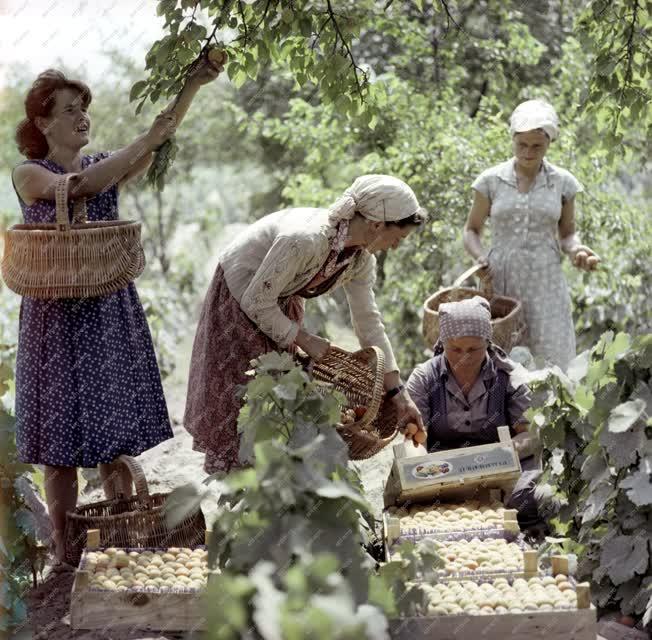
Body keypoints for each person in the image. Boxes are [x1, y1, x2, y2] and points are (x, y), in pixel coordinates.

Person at [10, 57, 223, 569]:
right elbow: (80, 188)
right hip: (55, 318)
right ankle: (66, 555)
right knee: (58, 446)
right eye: (69, 110)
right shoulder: (31, 172)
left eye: (84, 108)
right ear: (42, 122)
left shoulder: (106, 160)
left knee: (114, 437)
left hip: (105, 308)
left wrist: (192, 84)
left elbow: (160, 137)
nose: (82, 116)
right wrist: (142, 143)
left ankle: (121, 534)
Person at [184, 174, 428, 474]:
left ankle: (275, 484)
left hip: (280, 301)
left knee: (279, 395)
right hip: (240, 297)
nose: (394, 247)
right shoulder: (305, 240)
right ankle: (242, 490)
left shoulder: (360, 260)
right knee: (244, 400)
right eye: (397, 238)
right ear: (377, 225)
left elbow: (369, 323)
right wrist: (304, 338)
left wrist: (400, 396)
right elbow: (256, 301)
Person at [463, 99, 601, 370]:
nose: (528, 152)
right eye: (521, 145)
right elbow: (471, 230)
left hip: (546, 284)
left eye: (537, 145)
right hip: (502, 281)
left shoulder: (563, 182)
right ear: (512, 140)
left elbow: (568, 234)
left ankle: (551, 412)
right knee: (502, 358)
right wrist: (480, 258)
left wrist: (577, 251)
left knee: (552, 359)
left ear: (549, 142)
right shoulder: (490, 181)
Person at [406, 296, 541, 526]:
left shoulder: (510, 377)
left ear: (487, 343)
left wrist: (500, 455)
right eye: (455, 349)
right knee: (417, 504)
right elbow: (415, 438)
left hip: (499, 467)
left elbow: (530, 435)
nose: (464, 358)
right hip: (444, 470)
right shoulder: (424, 378)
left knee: (527, 499)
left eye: (473, 349)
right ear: (443, 344)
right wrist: (422, 470)